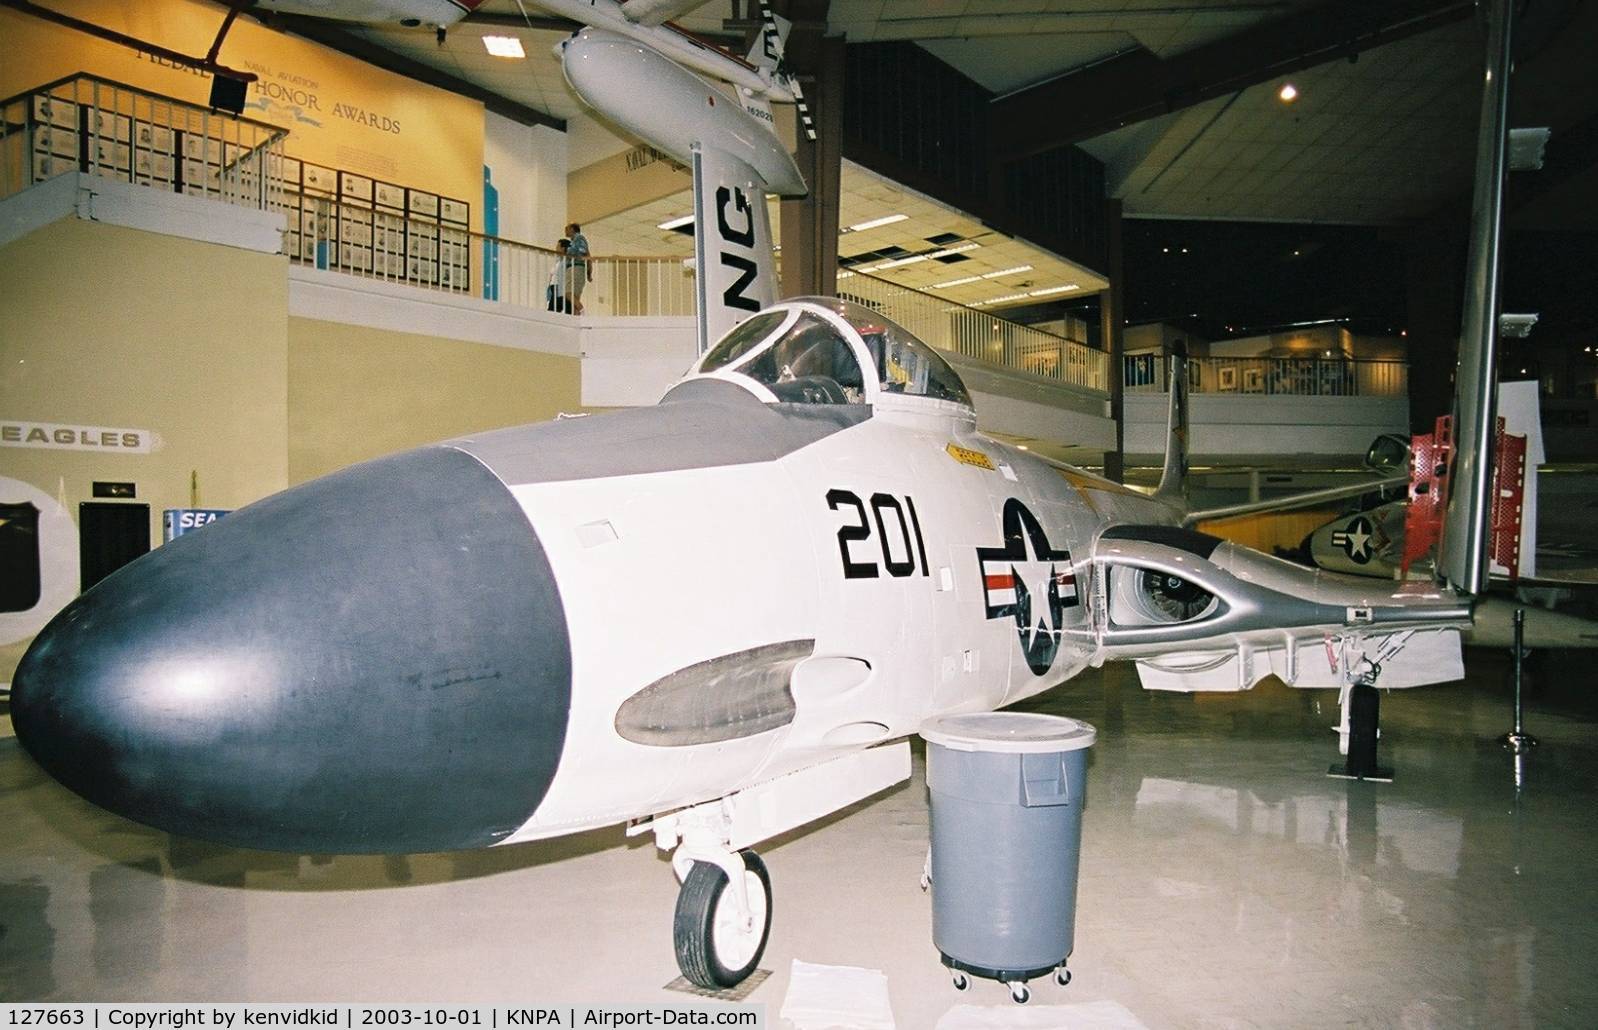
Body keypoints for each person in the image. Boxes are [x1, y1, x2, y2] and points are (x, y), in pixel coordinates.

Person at [565, 222, 589, 314]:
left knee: (568, 293)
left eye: (567, 229)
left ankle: (582, 310)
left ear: (572, 229)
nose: (566, 231)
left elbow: (582, 251)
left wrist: (568, 253)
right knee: (574, 295)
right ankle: (577, 315)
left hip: (576, 267)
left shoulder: (579, 238)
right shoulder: (574, 240)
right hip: (576, 268)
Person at [547, 238, 571, 313]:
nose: (556, 249)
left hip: (560, 288)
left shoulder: (567, 261)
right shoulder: (558, 261)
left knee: (553, 311)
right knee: (553, 310)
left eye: (558, 247)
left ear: (563, 248)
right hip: (554, 288)